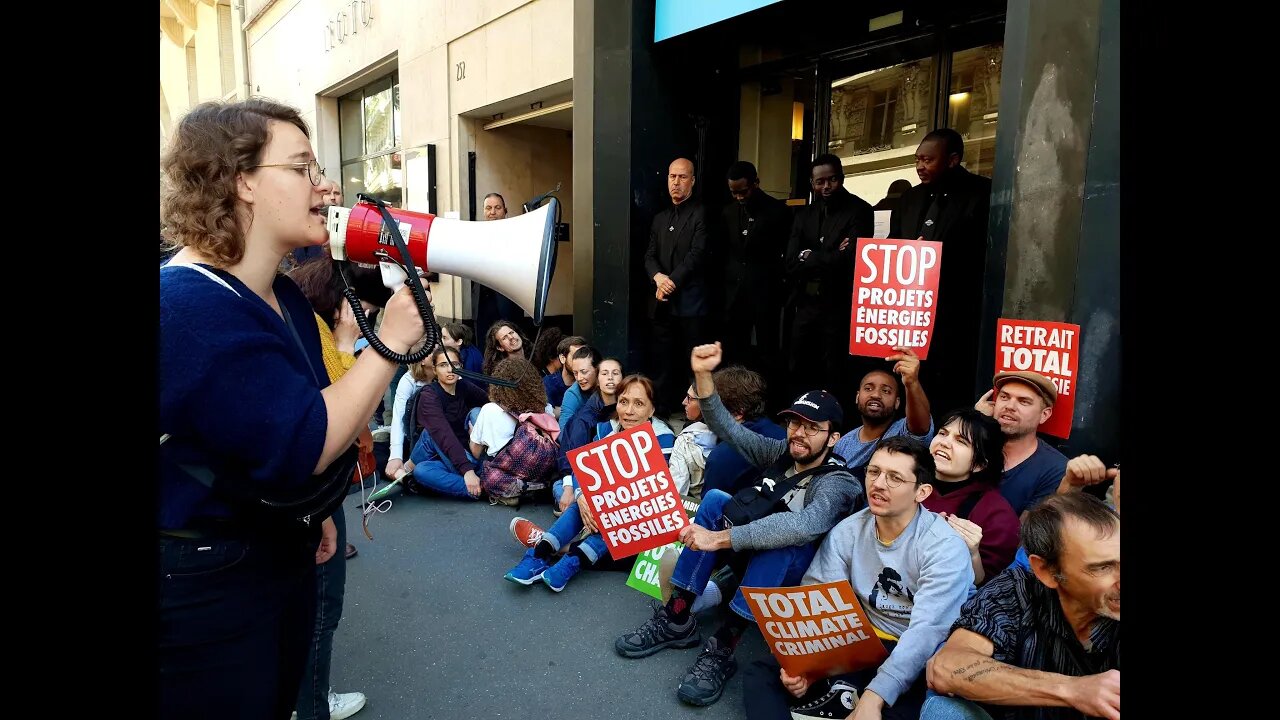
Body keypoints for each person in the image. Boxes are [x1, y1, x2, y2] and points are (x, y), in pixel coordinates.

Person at [159, 98, 425, 719]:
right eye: (303, 167)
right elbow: (307, 437)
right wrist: (389, 344)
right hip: (208, 586)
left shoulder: (276, 291)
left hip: (273, 551)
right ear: (242, 180)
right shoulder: (186, 308)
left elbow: (301, 415)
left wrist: (314, 514)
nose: (325, 185)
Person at [614, 342, 865, 708]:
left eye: (813, 428)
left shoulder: (838, 481)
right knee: (715, 498)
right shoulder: (781, 452)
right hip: (750, 550)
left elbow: (804, 526)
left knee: (785, 538)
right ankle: (678, 617)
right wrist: (703, 375)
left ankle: (724, 645)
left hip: (796, 583)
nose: (799, 433)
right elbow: (727, 428)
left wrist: (719, 539)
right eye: (796, 422)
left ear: (834, 437)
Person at [743, 436, 975, 720]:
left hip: (912, 649)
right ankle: (840, 694)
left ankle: (848, 696)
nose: (878, 484)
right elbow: (818, 598)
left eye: (895, 478)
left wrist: (876, 696)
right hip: (858, 640)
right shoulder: (849, 531)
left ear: (922, 492)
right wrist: (804, 664)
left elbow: (926, 632)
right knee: (763, 673)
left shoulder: (943, 547)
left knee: (902, 705)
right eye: (874, 471)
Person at [923, 493, 1120, 720]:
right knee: (945, 712)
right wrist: (1073, 689)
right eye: (1102, 567)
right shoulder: (1016, 590)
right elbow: (947, 668)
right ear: (1045, 571)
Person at [504, 374, 675, 590]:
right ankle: (540, 554)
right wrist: (582, 495)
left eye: (639, 404)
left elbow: (653, 496)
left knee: (615, 509)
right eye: (624, 401)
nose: (629, 411)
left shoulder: (663, 440)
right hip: (604, 506)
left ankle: (567, 558)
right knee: (583, 500)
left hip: (640, 521)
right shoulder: (606, 430)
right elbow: (585, 471)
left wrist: (608, 503)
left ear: (651, 410)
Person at [891, 128, 993, 414]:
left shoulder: (983, 193)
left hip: (957, 314)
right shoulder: (909, 198)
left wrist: (935, 254)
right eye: (917, 160)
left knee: (949, 385)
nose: (920, 166)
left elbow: (985, 252)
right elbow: (894, 242)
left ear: (952, 160)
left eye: (928, 160)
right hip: (912, 313)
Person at [783, 153, 874, 404]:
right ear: (812, 183)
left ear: (841, 178)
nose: (826, 186)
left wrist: (810, 256)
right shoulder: (804, 215)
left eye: (832, 180)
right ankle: (800, 415)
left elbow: (852, 260)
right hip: (806, 302)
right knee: (799, 364)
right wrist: (831, 253)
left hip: (839, 304)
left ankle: (834, 425)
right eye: (820, 181)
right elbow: (790, 261)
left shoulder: (860, 210)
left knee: (835, 367)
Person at [921, 409, 1019, 585]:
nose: (944, 443)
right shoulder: (907, 483)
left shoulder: (997, 515)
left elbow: (988, 587)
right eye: (943, 433)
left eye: (961, 441)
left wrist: (972, 553)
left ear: (980, 464)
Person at [645, 157, 711, 416]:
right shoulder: (660, 218)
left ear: (692, 181)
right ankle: (662, 409)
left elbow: (697, 254)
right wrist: (658, 278)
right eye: (672, 176)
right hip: (662, 303)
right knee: (663, 359)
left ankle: (695, 415)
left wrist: (671, 282)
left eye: (682, 177)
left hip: (691, 304)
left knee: (692, 363)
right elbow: (648, 255)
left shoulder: (701, 213)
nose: (676, 182)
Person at [720, 160, 791, 371]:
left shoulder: (778, 211)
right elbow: (724, 252)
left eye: (743, 192)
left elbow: (786, 253)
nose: (739, 197)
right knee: (734, 348)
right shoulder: (728, 213)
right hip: (734, 294)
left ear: (755, 184)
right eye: (734, 193)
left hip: (765, 292)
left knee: (767, 348)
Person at [975, 371, 1068, 516]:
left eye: (1024, 401)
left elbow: (1026, 533)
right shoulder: (974, 443)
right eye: (1004, 397)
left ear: (1044, 415)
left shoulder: (1055, 469)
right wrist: (975, 423)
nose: (1010, 406)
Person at [402, 345, 490, 499]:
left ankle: (408, 466)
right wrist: (467, 470)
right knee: (422, 470)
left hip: (475, 455)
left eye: (455, 364)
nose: (450, 370)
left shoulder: (463, 386)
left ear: (461, 367)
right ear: (435, 370)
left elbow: (490, 402)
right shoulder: (429, 395)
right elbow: (444, 434)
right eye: (443, 365)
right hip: (456, 458)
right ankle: (481, 489)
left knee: (478, 413)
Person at [832, 348, 935, 471]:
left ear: (897, 403)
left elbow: (921, 427)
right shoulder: (842, 444)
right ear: (857, 397)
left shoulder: (903, 431)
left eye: (886, 391)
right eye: (868, 388)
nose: (876, 395)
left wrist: (911, 382)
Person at [470, 192, 524, 338]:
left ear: (505, 211)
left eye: (497, 207)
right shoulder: (475, 235)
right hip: (482, 302)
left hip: (509, 302)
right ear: (483, 211)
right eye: (488, 208)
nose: (492, 212)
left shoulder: (517, 234)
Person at [384, 355, 434, 481]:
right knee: (382, 455)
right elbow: (399, 418)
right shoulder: (408, 380)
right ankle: (403, 476)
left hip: (435, 436)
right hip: (414, 435)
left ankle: (407, 472)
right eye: (433, 351)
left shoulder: (447, 373)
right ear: (422, 359)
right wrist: (395, 455)